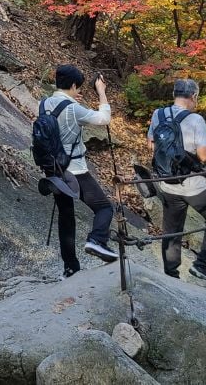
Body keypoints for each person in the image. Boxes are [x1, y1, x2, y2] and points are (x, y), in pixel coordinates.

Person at [41, 65, 118, 278]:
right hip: (74, 170)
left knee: (66, 218)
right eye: (78, 87)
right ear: (74, 85)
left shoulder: (45, 103)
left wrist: (73, 98)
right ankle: (97, 240)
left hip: (53, 170)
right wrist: (101, 91)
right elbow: (103, 119)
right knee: (104, 208)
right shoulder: (73, 109)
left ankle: (70, 268)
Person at [147, 78, 206, 286]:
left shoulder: (158, 114)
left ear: (174, 94)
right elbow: (204, 156)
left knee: (172, 229)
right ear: (193, 97)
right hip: (192, 185)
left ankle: (171, 275)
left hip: (167, 182)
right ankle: (203, 266)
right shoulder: (195, 120)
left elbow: (151, 143)